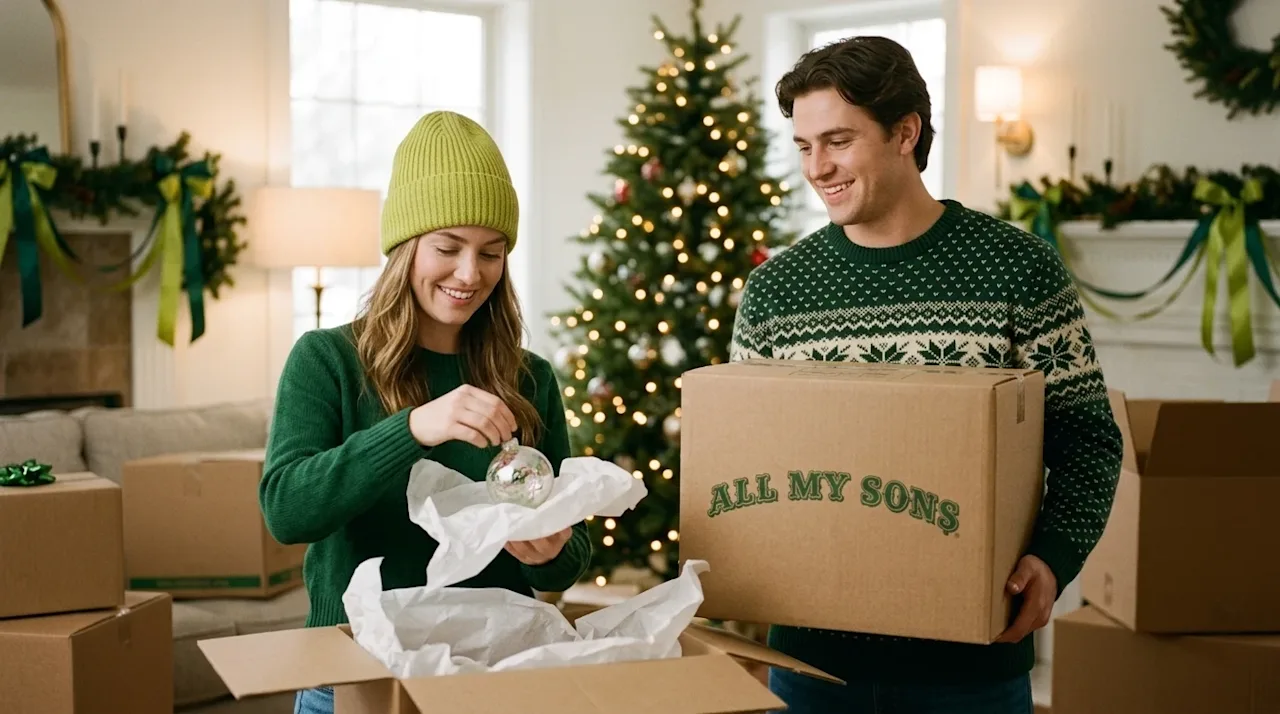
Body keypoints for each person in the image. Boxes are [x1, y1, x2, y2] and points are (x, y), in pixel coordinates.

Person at [730, 36, 1123, 713]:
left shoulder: (1017, 269)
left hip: (972, 669)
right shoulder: (775, 292)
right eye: (804, 146)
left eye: (838, 141)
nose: (817, 167)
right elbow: (748, 461)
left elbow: (1087, 439)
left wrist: (1053, 559)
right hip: (810, 667)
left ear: (905, 133)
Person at [261, 111, 592, 714]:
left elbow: (567, 557)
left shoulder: (530, 378)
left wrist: (552, 551)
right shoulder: (327, 360)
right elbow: (286, 511)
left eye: (491, 253)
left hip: (493, 675)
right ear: (404, 248)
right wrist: (412, 428)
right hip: (354, 674)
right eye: (447, 247)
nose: (470, 274)